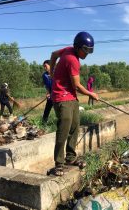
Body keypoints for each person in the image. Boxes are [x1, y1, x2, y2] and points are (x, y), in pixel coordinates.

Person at [49, 31, 99, 176]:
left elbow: (53, 54)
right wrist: (91, 94)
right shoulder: (73, 60)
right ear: (78, 47)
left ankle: (70, 158)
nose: (87, 54)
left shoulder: (68, 50)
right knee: (64, 127)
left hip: (71, 97)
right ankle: (59, 163)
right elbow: (77, 85)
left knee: (75, 126)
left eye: (90, 51)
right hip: (61, 97)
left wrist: (52, 72)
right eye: (86, 50)